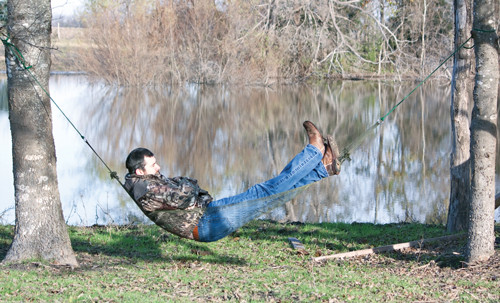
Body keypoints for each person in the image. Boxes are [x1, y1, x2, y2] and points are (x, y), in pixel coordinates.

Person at [124, 121, 341, 242]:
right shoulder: (145, 188)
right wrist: (188, 184)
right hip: (206, 223)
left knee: (269, 197)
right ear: (140, 170)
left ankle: (323, 168)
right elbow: (185, 193)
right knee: (263, 192)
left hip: (208, 218)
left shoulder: (146, 183)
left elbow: (185, 189)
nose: (158, 167)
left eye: (156, 163)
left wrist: (187, 185)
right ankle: (315, 151)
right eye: (153, 165)